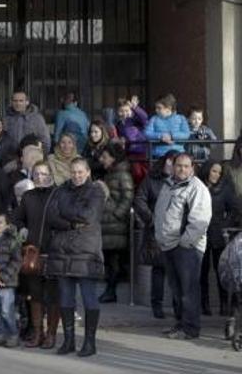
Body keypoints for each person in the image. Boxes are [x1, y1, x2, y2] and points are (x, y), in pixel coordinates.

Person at [45, 158, 106, 357]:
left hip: (85, 252)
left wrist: (65, 212)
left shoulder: (96, 191)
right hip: (62, 251)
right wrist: (71, 222)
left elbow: (88, 216)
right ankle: (69, 340)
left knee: (89, 298)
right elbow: (51, 216)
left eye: (80, 172)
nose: (77, 175)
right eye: (74, 172)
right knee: (65, 299)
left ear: (88, 172)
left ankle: (90, 343)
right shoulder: (60, 190)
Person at [153, 153, 212, 340]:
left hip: (187, 247)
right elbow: (161, 213)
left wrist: (185, 242)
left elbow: (200, 221)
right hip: (169, 245)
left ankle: (191, 329)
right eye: (179, 165)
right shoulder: (168, 184)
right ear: (173, 166)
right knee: (177, 290)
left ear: (192, 168)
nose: (182, 169)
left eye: (186, 166)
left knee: (188, 290)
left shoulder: (197, 188)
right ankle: (181, 324)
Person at [13, 161, 60, 349]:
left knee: (52, 296)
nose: (40, 177)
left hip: (53, 252)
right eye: (37, 174)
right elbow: (16, 217)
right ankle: (37, 333)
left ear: (51, 174)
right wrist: (22, 228)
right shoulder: (28, 196)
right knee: (35, 295)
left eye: (44, 173)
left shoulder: (58, 194)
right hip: (32, 252)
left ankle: (51, 334)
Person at [134, 151, 179, 319]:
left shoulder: (180, 180)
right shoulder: (151, 179)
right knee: (159, 269)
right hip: (156, 230)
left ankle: (177, 306)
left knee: (176, 271)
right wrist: (151, 219)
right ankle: (156, 305)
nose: (172, 166)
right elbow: (139, 199)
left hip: (175, 230)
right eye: (170, 162)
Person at [199, 161, 240, 317]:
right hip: (201, 234)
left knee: (220, 270)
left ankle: (224, 305)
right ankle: (205, 304)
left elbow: (235, 209)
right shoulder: (199, 186)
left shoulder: (225, 189)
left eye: (219, 172)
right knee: (202, 272)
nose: (216, 174)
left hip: (218, 234)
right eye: (214, 171)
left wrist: (225, 224)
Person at [97, 144, 134, 304]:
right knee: (110, 261)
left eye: (105, 156)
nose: (101, 160)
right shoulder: (111, 174)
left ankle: (111, 291)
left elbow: (128, 197)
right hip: (109, 225)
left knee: (114, 261)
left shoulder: (122, 175)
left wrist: (116, 215)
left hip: (115, 225)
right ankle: (109, 290)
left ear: (113, 157)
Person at [0, 211, 22, 348]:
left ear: (7, 225)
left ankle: (13, 334)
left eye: (0, 222)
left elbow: (16, 261)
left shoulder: (12, 240)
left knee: (6, 311)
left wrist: (1, 277)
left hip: (7, 283)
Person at [144, 93, 191, 159]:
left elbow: (186, 134)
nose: (156, 110)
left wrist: (171, 136)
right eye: (156, 108)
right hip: (158, 155)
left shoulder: (181, 118)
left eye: (159, 108)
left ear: (169, 108)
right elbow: (146, 133)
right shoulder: (154, 119)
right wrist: (161, 136)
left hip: (178, 154)